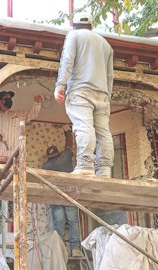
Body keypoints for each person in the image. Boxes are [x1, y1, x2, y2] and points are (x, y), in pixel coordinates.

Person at [54, 13, 114, 177]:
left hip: (81, 91)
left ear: (74, 25)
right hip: (102, 95)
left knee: (84, 127)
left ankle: (86, 165)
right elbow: (110, 76)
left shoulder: (73, 35)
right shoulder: (106, 44)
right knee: (103, 132)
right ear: (91, 26)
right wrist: (106, 95)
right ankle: (104, 170)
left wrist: (60, 85)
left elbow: (67, 61)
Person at [42, 129, 83, 257]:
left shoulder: (45, 166)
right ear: (58, 153)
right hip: (70, 195)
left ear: (48, 157)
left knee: (58, 223)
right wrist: (67, 132)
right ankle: (75, 249)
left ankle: (61, 249)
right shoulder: (65, 156)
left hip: (55, 197)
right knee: (73, 222)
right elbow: (69, 145)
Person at [0, 91, 43, 163]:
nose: (9, 99)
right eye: (6, 97)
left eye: (10, 98)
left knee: (14, 174)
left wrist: (37, 103)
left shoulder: (19, 114)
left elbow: (32, 114)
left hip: (13, 154)